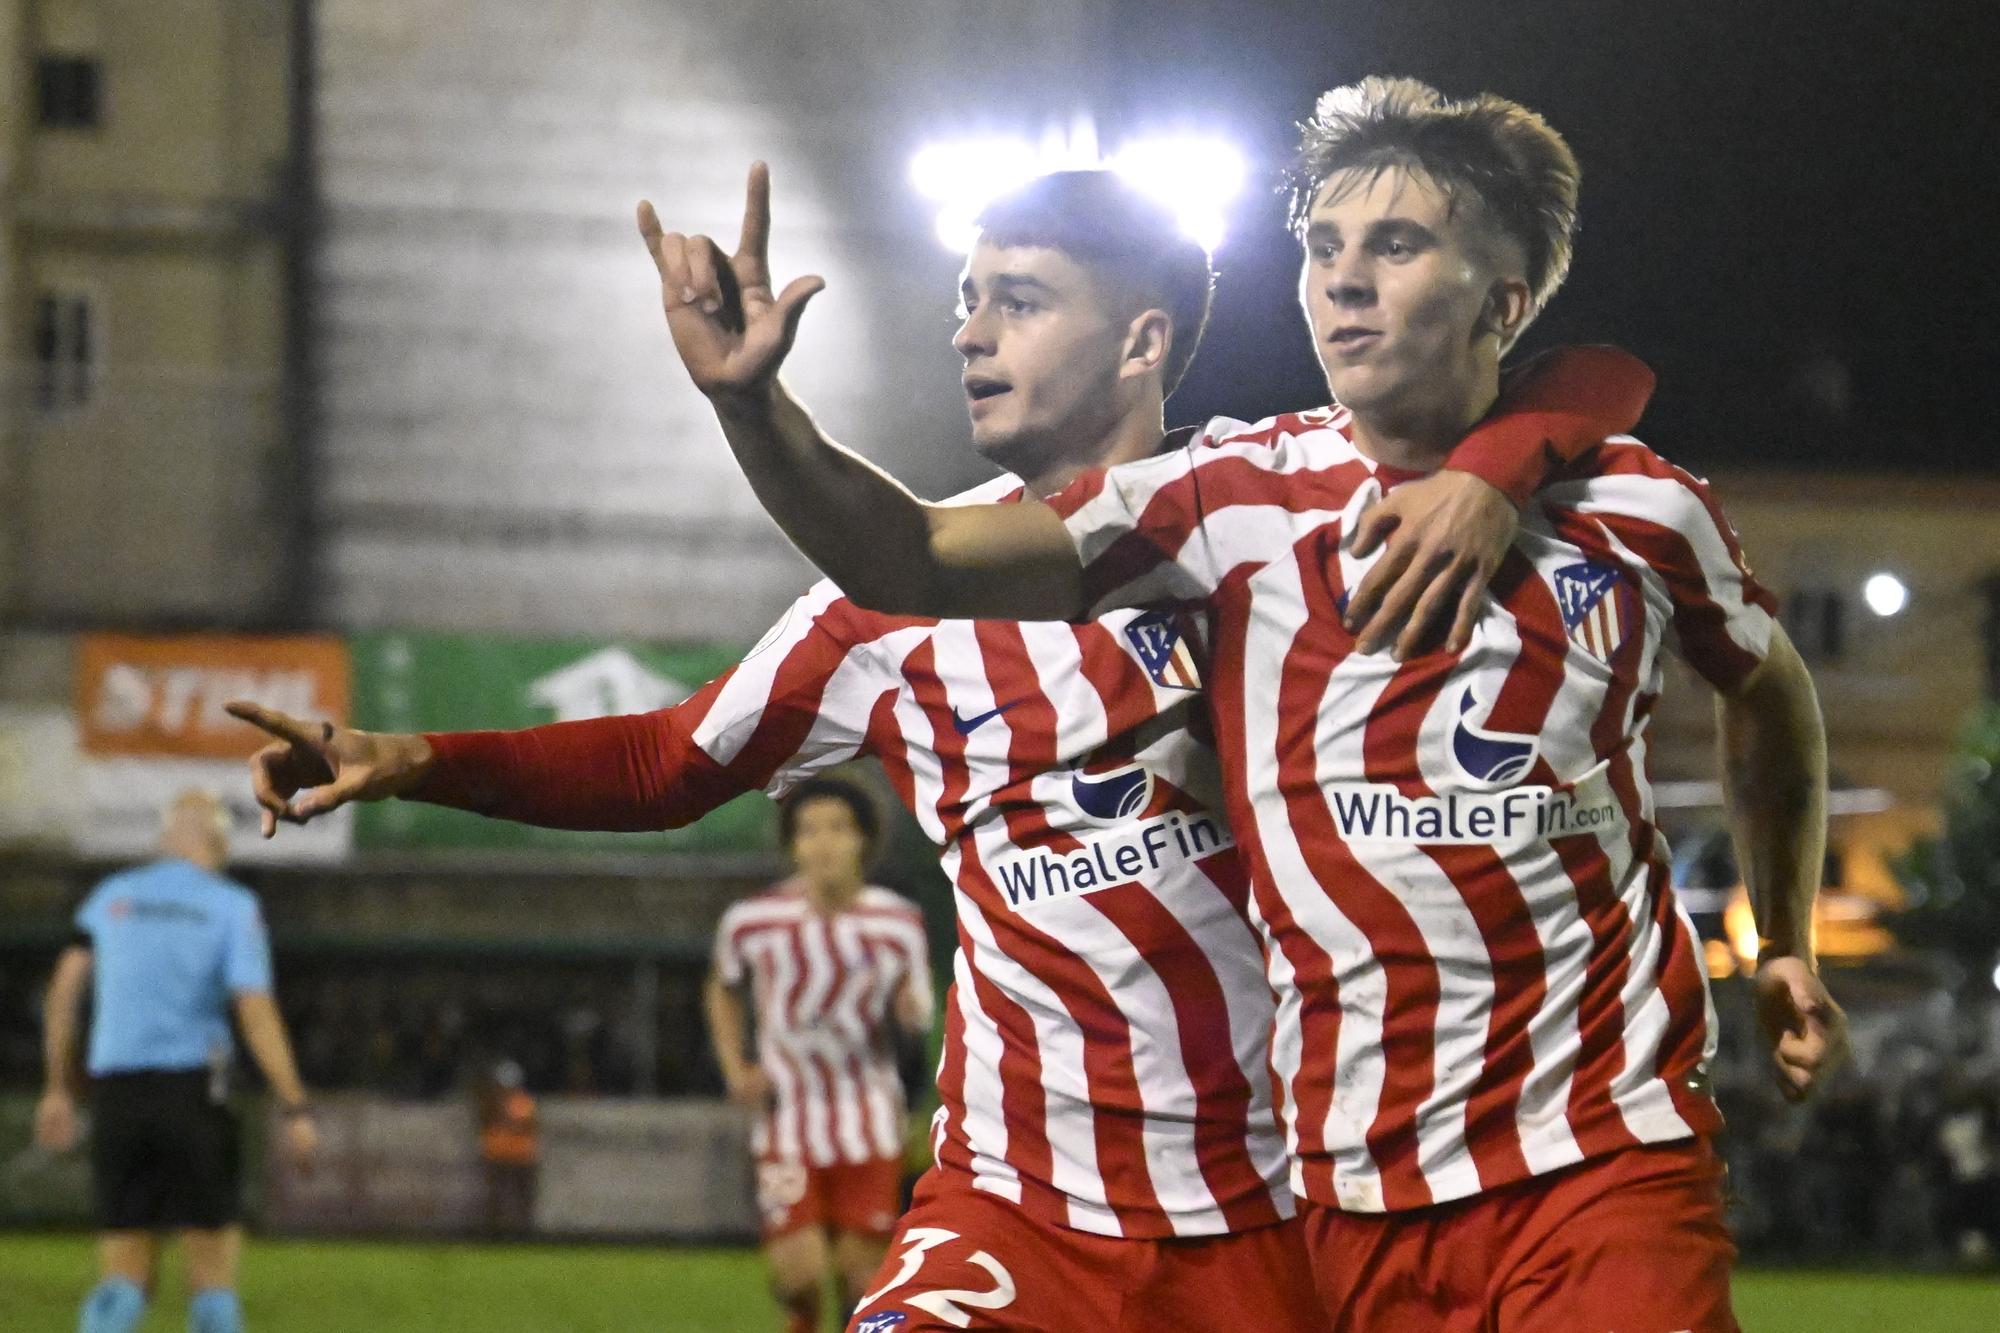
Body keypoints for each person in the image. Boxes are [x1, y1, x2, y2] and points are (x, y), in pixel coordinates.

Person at [227, 167, 1646, 1331]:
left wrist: (1489, 464)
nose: (968, 332)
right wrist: (418, 757)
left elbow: (1589, 377)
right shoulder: (883, 612)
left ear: (1143, 339)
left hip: (1282, 1220)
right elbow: (675, 761)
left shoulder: (1267, 517)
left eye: (1017, 303)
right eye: (965, 301)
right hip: (1016, 1211)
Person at [642, 80, 1853, 1331]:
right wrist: (753, 405)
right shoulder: (1227, 502)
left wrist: (1783, 943)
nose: (1340, 281)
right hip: (1350, 1191)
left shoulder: (1640, 515)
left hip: (1609, 1145)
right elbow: (918, 561)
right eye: (1320, 248)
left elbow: (1767, 689)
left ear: (1499, 301)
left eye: (1393, 246)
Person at [34, 789, 318, 1333]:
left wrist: (56, 1088)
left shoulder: (111, 896)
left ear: (164, 839)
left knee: (122, 1281)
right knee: (212, 1283)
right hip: (194, 1091)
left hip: (117, 1091)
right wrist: (295, 1106)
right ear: (217, 842)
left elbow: (64, 988)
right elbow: (254, 1008)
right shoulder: (232, 905)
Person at [704, 776, 934, 1331]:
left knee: (863, 1280)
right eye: (809, 830)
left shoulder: (897, 923)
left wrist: (909, 1017)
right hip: (788, 1120)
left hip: (869, 1118)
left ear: (863, 841)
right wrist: (736, 1066)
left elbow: (919, 1013)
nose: (824, 843)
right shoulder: (753, 921)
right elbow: (721, 987)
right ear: (793, 845)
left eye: (838, 828)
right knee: (797, 1273)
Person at [478, 1058, 540, 1234]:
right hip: (497, 1154)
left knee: (522, 1198)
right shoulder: (490, 1102)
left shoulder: (524, 1103)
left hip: (522, 1157)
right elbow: (484, 1122)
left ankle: (523, 1232)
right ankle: (494, 1232)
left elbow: (528, 1125)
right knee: (496, 1197)